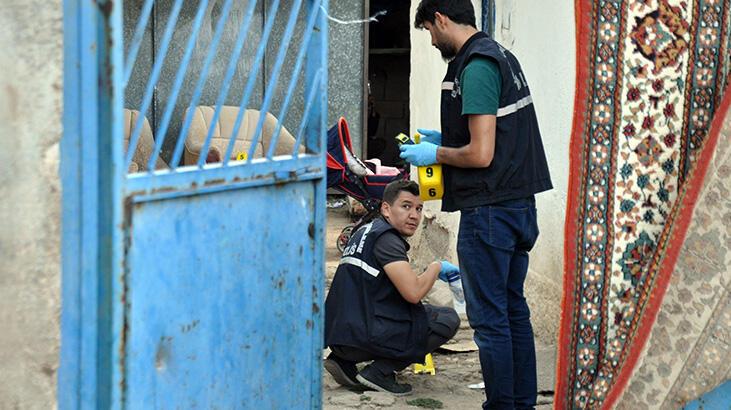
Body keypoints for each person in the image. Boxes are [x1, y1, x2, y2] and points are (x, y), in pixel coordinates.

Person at [401, 1, 553, 409]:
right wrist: (444, 138)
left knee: (489, 322)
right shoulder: (502, 56)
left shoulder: (478, 65)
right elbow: (494, 133)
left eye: (430, 31)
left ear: (442, 19)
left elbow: (481, 153)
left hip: (491, 211)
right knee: (512, 311)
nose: (432, 42)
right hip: (518, 206)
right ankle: (520, 404)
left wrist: (435, 155)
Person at [324, 180, 461, 396]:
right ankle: (380, 372)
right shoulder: (387, 240)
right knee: (445, 320)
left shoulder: (365, 231)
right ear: (386, 209)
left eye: (419, 208)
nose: (414, 215)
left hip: (340, 334)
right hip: (361, 334)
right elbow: (413, 293)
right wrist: (436, 267)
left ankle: (342, 361)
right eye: (406, 206)